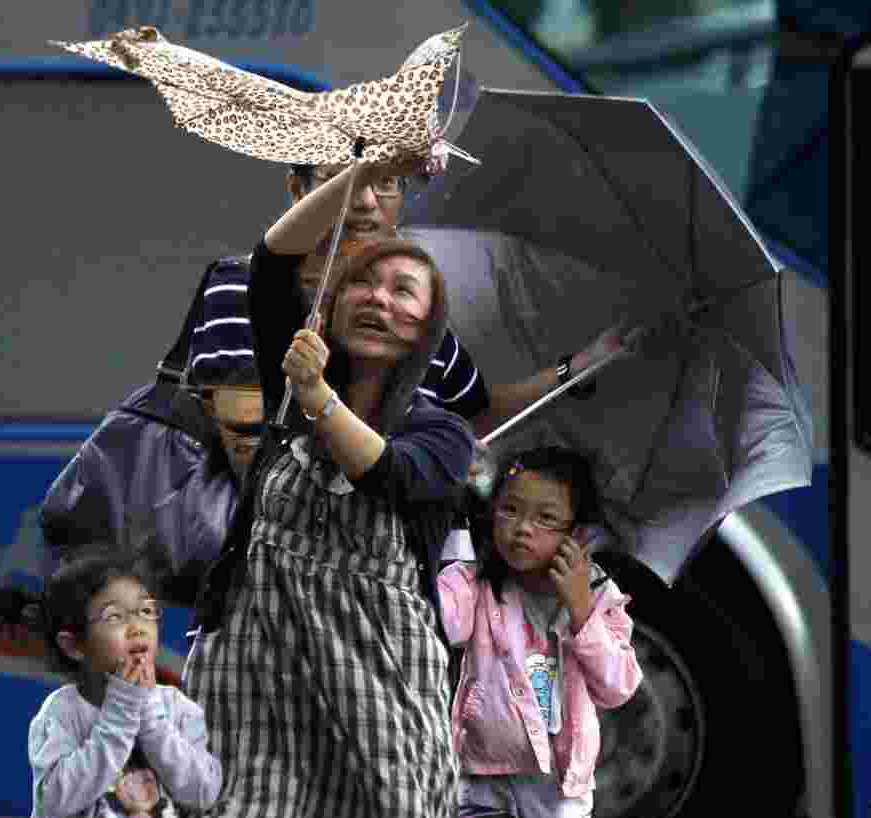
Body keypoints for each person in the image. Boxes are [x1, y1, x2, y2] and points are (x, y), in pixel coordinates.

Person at [184, 160, 474, 817]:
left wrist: (318, 399)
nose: (380, 298)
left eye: (404, 291)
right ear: (334, 302)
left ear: (425, 327)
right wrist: (364, 173)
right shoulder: (290, 382)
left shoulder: (442, 434)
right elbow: (272, 259)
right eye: (365, 284)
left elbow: (384, 472)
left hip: (380, 682)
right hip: (253, 664)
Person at [190, 161, 625, 438]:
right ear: (297, 190)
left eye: (387, 184)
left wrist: (573, 370)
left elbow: (473, 415)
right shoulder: (238, 288)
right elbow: (226, 429)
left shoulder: (415, 322)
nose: (364, 202)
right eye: (339, 180)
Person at [438, 446, 643, 818]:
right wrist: (454, 527)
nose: (522, 529)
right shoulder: (474, 581)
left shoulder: (597, 594)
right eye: (510, 510)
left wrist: (581, 610)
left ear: (576, 533)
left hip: (558, 793)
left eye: (546, 518)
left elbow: (617, 688)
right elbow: (441, 623)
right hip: (482, 779)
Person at [29, 549, 223, 818]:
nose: (138, 627)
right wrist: (120, 711)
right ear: (74, 646)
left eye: (146, 611)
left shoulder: (177, 708)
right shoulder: (62, 713)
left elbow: (203, 794)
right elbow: (52, 804)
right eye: (114, 617)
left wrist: (150, 716)